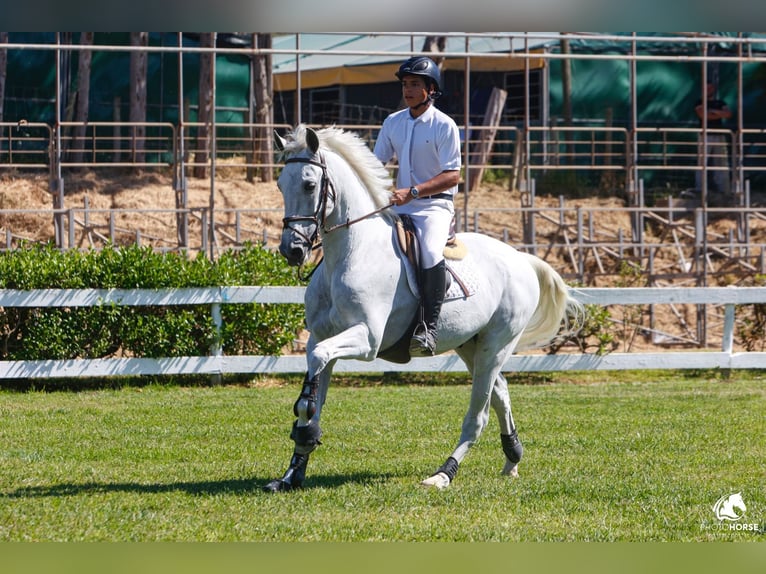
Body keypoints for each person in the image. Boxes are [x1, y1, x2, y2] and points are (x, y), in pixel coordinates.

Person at [373, 56, 461, 357]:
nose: (407, 90)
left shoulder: (444, 125)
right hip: (400, 205)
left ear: (431, 89)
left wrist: (412, 191)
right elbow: (375, 166)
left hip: (434, 208)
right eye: (405, 84)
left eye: (414, 84)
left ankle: (428, 327)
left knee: (430, 253)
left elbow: (453, 175)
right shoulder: (392, 122)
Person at [694, 81, 733, 200]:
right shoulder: (699, 102)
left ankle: (724, 190)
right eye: (707, 88)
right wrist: (718, 114)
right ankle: (699, 189)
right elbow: (703, 115)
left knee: (721, 162)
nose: (709, 90)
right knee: (702, 162)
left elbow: (728, 114)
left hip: (719, 134)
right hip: (705, 135)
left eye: (711, 88)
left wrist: (713, 112)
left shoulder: (720, 102)